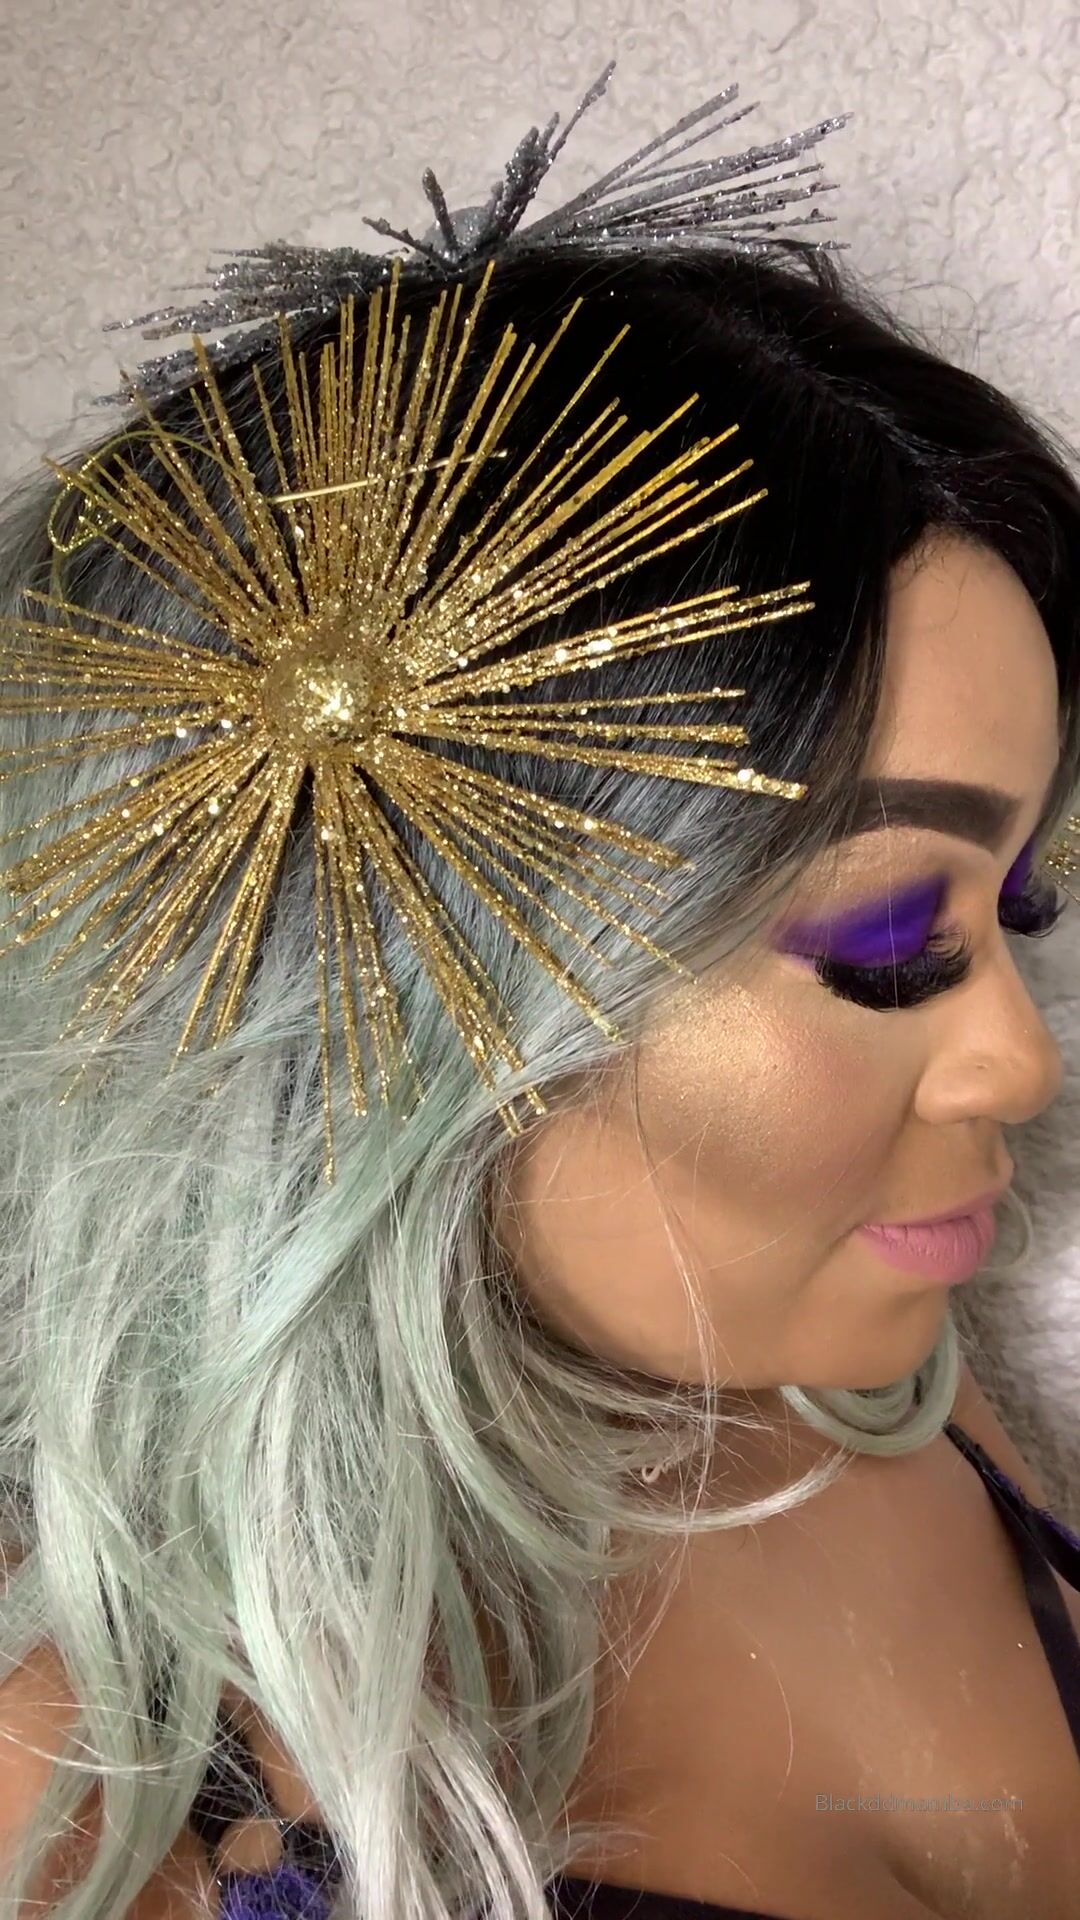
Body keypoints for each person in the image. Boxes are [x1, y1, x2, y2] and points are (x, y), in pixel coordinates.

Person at [0, 68, 1079, 1920]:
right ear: (388, 993)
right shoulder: (97, 1815)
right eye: (894, 943)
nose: (1021, 1062)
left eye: (1026, 905)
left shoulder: (878, 1379)